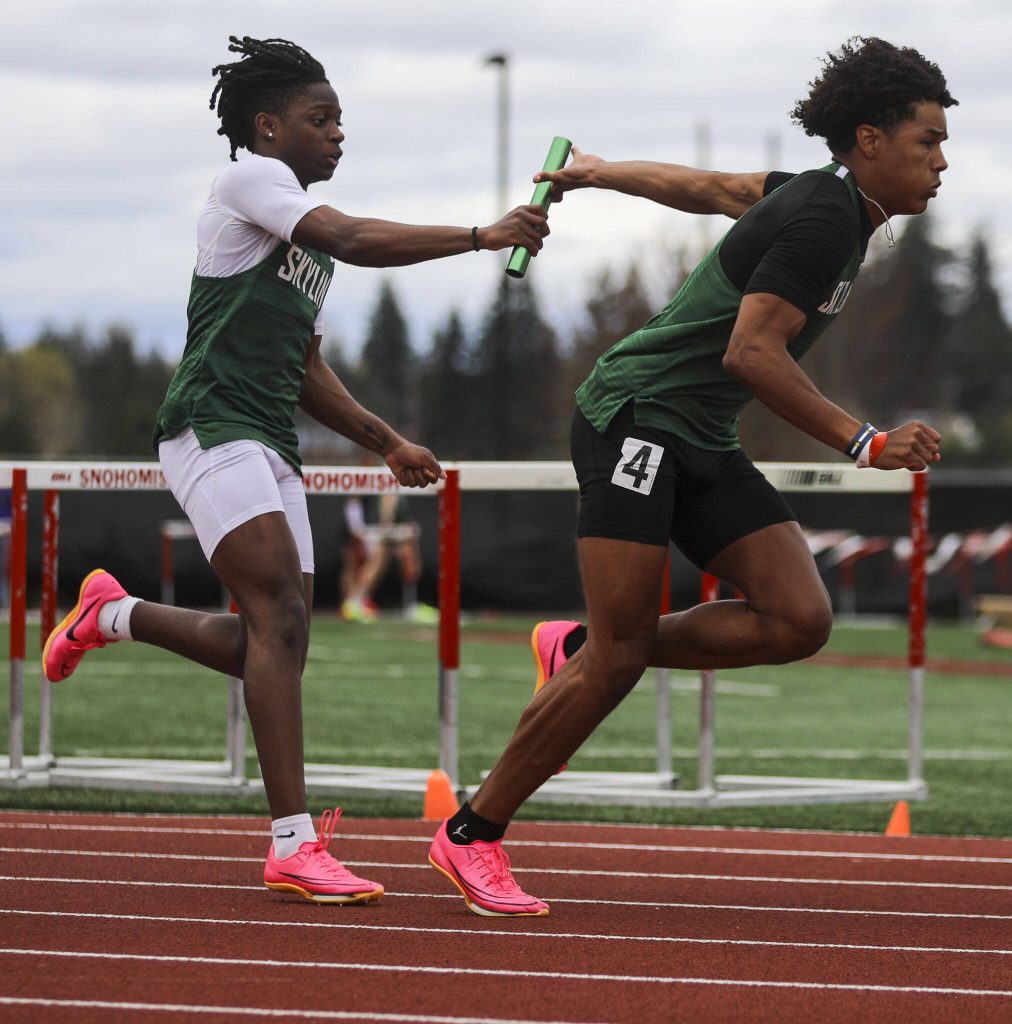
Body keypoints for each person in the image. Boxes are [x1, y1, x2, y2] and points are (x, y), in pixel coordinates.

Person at [427, 36, 954, 917]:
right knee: (624, 655)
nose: (942, 161)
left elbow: (705, 190)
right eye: (927, 141)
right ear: (869, 140)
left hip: (699, 433)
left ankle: (583, 644)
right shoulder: (824, 217)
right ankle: (471, 832)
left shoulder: (822, 199)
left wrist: (598, 173)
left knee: (798, 619)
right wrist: (862, 442)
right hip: (633, 417)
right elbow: (753, 350)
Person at [42, 35, 548, 905]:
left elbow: (306, 368)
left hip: (267, 432)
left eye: (342, 119)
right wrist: (479, 234)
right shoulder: (251, 183)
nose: (338, 134)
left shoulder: (296, 239)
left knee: (278, 639)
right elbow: (351, 235)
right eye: (322, 119)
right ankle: (291, 843)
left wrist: (384, 439)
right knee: (277, 615)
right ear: (267, 126)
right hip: (209, 422)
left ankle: (112, 612)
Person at [339, 492, 436, 623]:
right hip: (370, 528)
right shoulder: (375, 492)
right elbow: (384, 499)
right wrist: (384, 522)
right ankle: (354, 602)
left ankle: (357, 601)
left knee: (406, 559)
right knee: (369, 561)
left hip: (380, 529)